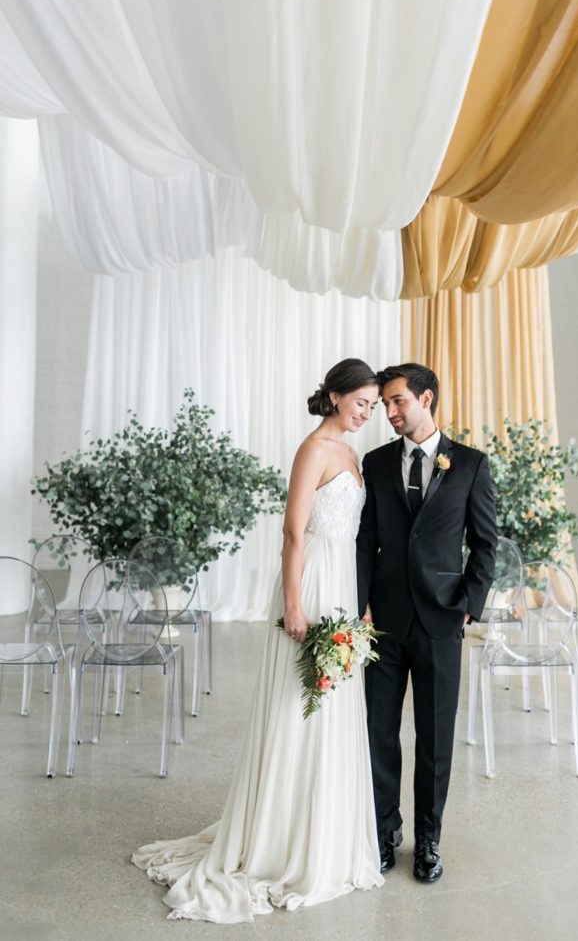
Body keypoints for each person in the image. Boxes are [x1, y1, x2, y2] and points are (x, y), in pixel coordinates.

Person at [132, 358, 383, 924]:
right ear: (338, 396)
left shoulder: (352, 453)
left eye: (373, 404)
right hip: (313, 579)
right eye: (362, 402)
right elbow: (294, 531)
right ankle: (281, 837)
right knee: (300, 704)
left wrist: (361, 599)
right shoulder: (314, 449)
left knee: (333, 707)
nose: (368, 412)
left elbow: (356, 534)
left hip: (343, 583)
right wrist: (294, 602)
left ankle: (326, 832)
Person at [356, 363, 497, 883]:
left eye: (398, 402)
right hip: (384, 621)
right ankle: (384, 831)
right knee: (379, 733)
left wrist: (467, 605)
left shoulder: (470, 465)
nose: (389, 413)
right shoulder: (373, 463)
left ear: (427, 398)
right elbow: (363, 540)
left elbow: (485, 545)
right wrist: (359, 604)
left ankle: (429, 840)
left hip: (441, 622)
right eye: (385, 404)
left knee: (435, 738)